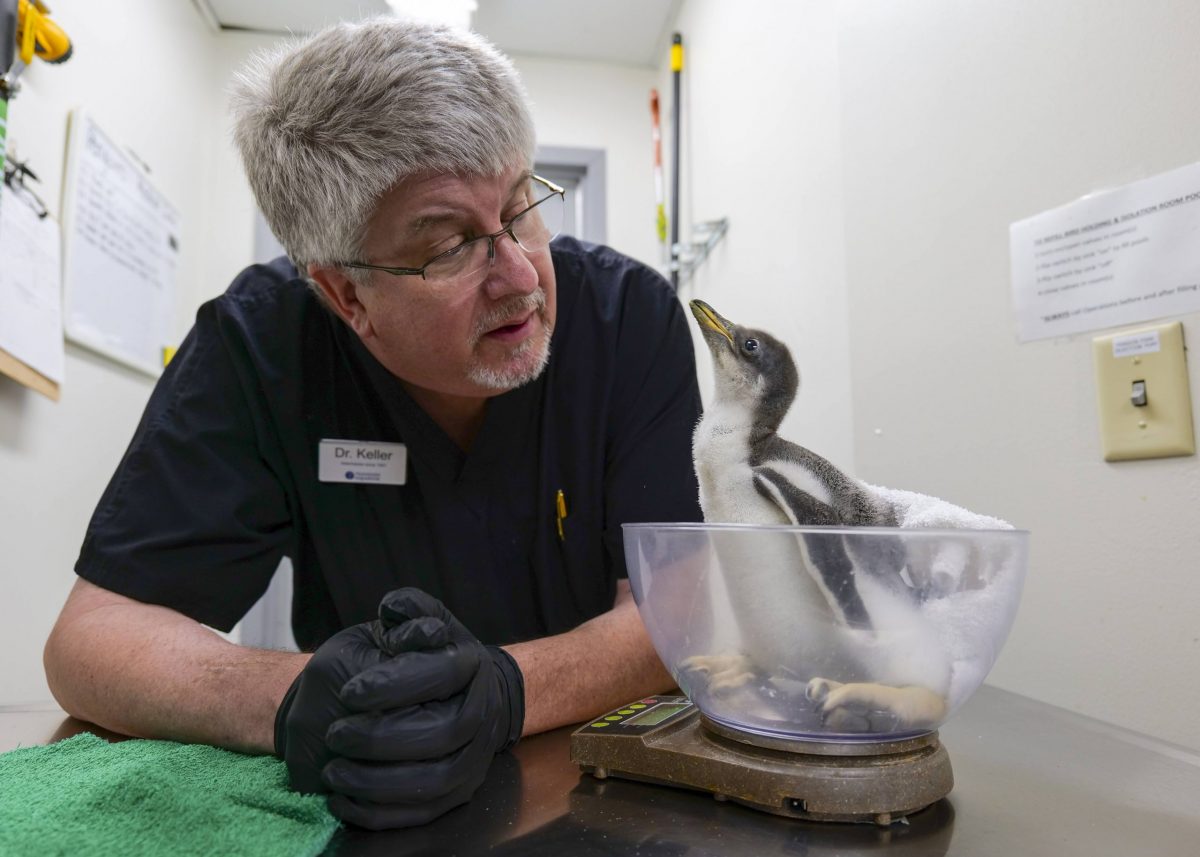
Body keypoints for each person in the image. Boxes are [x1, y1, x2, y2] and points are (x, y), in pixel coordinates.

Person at [42, 17, 702, 830]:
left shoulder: (629, 321)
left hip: (601, 783)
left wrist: (505, 690)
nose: (522, 274)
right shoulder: (261, 346)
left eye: (522, 203)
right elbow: (91, 641)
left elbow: (674, 617)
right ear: (345, 294)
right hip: (367, 795)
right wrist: (287, 700)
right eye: (452, 245)